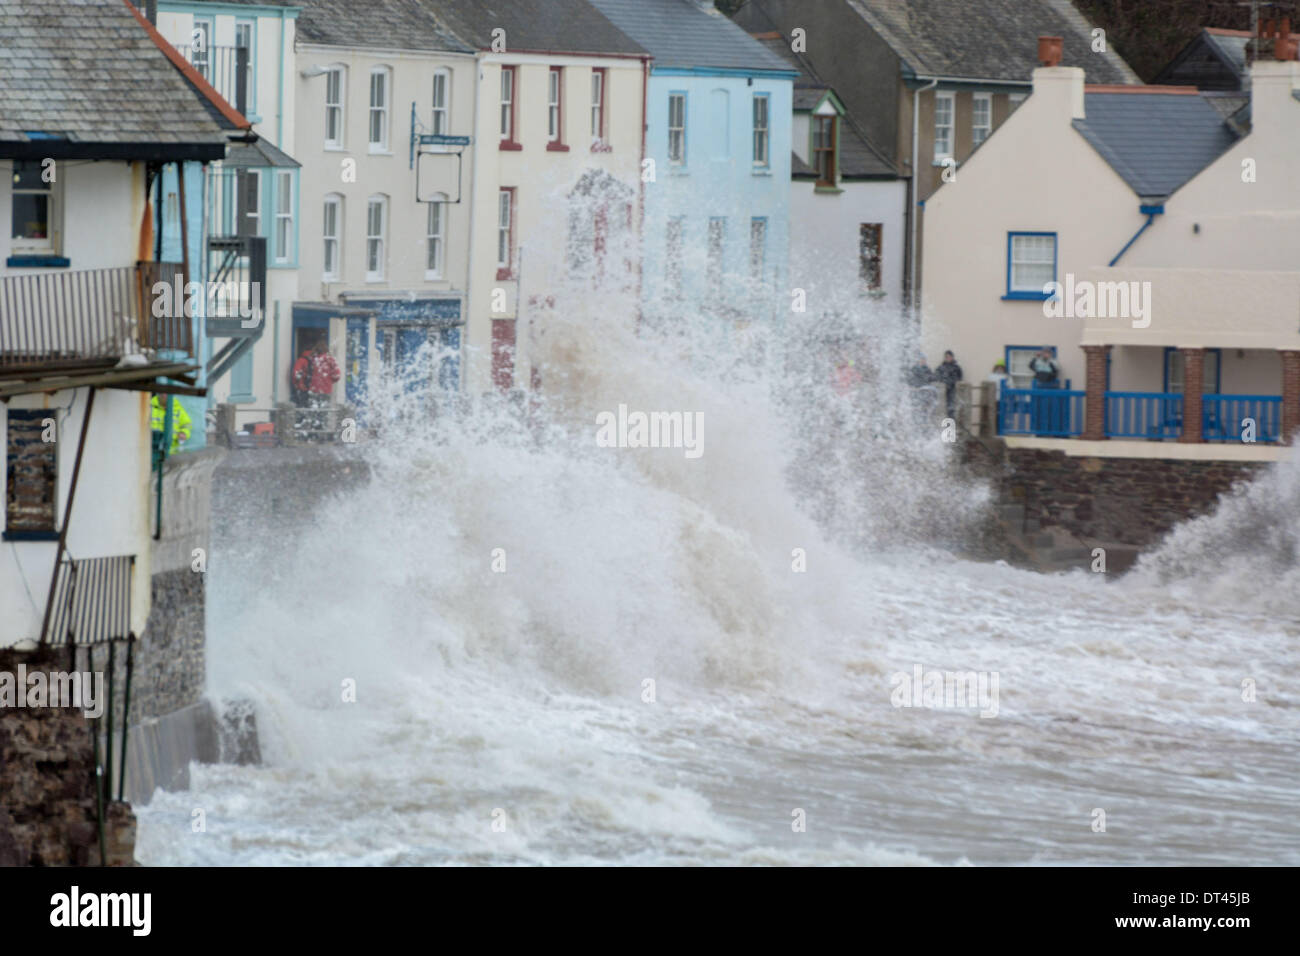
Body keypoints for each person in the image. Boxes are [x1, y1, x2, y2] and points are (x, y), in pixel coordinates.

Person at [305, 341, 341, 439]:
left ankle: (312, 433)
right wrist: (330, 380)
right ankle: (322, 435)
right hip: (326, 389)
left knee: (313, 411)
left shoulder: (313, 359)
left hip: (313, 389)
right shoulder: (330, 360)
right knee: (324, 412)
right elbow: (337, 375)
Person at [934, 350, 963, 416]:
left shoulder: (956, 368)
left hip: (952, 390)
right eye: (946, 357)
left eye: (949, 357)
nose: (948, 358)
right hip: (943, 390)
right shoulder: (941, 367)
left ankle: (951, 422)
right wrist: (943, 382)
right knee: (942, 408)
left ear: (952, 357)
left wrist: (951, 382)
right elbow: (936, 376)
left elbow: (959, 378)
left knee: (951, 408)